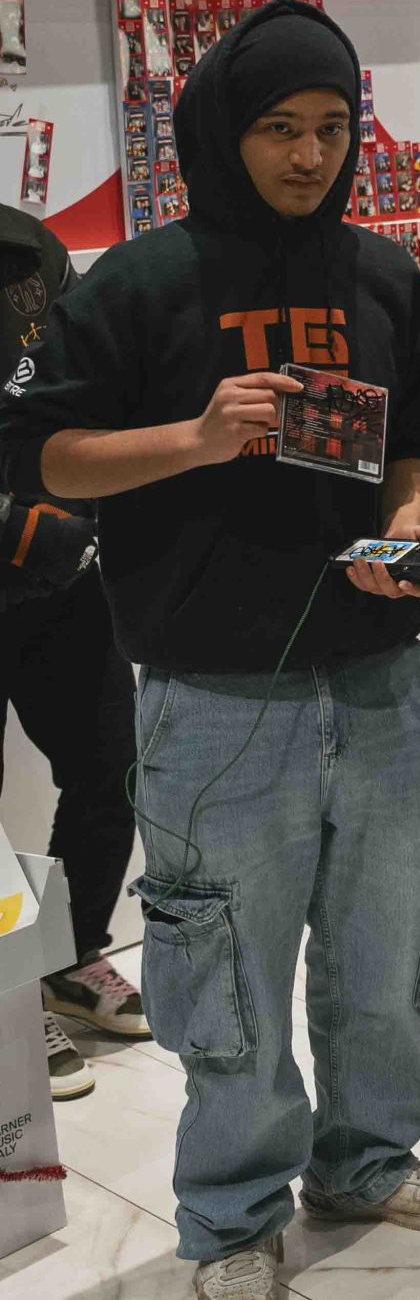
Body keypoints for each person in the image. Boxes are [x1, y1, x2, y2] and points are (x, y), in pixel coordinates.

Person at [0, 1, 420, 1300]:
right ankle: (230, 1219)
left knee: (387, 948)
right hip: (212, 695)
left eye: (331, 128)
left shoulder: (382, 276)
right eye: (280, 128)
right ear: (224, 128)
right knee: (224, 972)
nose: (309, 155)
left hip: (379, 677)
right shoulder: (137, 283)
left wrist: (404, 522)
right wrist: (196, 437)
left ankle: (368, 1160)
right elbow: (39, 460)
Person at [0, 203, 141, 1100]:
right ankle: (5, 1004)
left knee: (113, 767)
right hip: (20, 540)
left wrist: (79, 504)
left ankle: (64, 957)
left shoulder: (27, 245)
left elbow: (93, 379)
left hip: (60, 576)